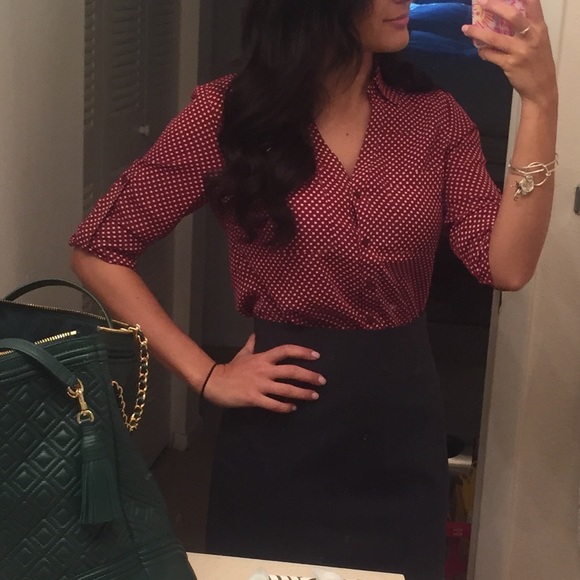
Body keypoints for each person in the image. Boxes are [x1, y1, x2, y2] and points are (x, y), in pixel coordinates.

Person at [69, 1, 558, 578]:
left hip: (403, 426)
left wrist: (540, 103)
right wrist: (206, 374)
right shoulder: (228, 114)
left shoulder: (435, 118)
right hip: (281, 428)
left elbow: (506, 267)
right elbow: (99, 248)